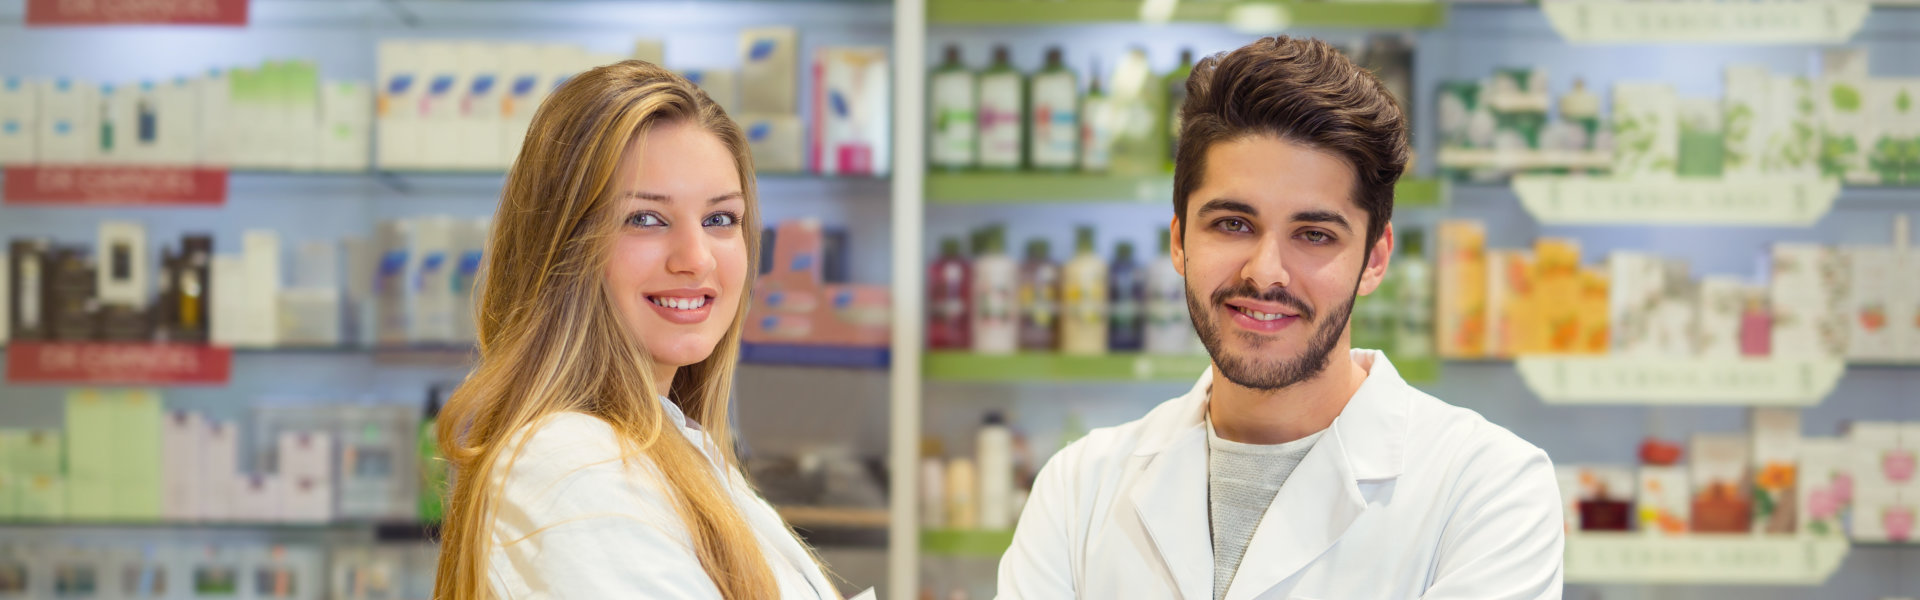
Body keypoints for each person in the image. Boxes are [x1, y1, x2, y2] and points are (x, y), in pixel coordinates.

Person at [996, 37, 1564, 600]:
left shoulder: (1489, 490)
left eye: (1314, 235)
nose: (1266, 273)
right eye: (1233, 224)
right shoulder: (1078, 489)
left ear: (1375, 259)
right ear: (1178, 240)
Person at [431, 60, 840, 599]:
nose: (696, 259)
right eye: (645, 219)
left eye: (720, 219)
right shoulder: (569, 462)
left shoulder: (672, 446)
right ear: (562, 246)